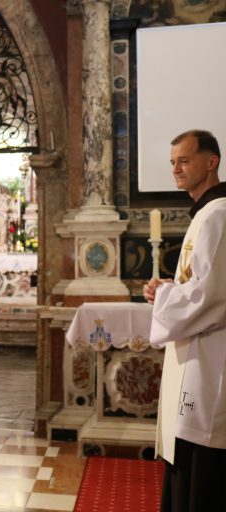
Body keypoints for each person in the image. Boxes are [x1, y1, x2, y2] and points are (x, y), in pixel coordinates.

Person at [142, 129, 226, 512]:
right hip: (197, 359)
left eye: (185, 160)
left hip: (209, 366)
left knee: (201, 476)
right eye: (173, 162)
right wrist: (169, 289)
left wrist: (166, 298)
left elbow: (211, 298)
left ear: (211, 162)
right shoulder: (206, 214)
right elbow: (201, 284)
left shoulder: (217, 215)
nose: (176, 168)